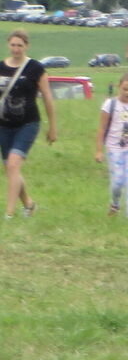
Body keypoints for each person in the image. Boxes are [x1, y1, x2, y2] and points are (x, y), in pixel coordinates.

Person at [1, 29, 56, 220]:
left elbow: (47, 97)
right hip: (4, 125)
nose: (16, 49)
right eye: (13, 45)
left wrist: (52, 127)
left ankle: (9, 213)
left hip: (27, 124)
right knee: (10, 168)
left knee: (13, 164)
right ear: (8, 45)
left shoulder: (35, 68)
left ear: (26, 46)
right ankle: (28, 204)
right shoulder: (1, 67)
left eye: (20, 45)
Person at [94, 72, 128, 219]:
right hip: (114, 149)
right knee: (118, 181)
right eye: (125, 89)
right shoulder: (110, 105)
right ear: (119, 87)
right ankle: (115, 203)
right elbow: (101, 129)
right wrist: (99, 151)